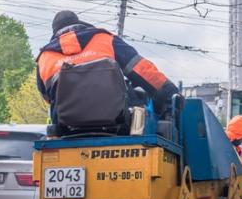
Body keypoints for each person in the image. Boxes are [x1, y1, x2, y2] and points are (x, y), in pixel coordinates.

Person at [36, 10, 178, 118]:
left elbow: (49, 99)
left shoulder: (44, 57)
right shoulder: (105, 39)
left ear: (54, 32)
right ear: (79, 23)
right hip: (119, 122)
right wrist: (169, 91)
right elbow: (142, 70)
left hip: (66, 128)